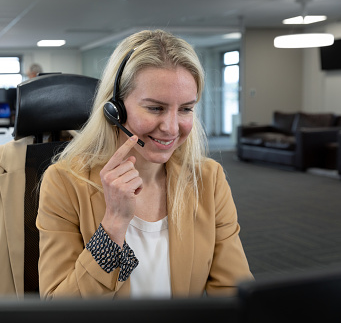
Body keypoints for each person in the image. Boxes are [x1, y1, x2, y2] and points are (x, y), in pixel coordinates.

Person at [36, 29, 253, 299]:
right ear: (115, 109)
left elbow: (235, 292)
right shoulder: (65, 183)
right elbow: (59, 307)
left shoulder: (208, 179)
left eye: (186, 109)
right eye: (155, 108)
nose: (172, 128)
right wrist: (114, 224)